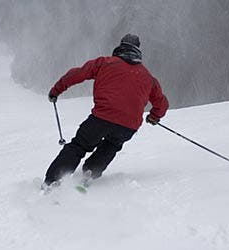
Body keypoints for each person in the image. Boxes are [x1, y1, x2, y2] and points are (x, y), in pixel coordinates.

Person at [43, 34, 169, 188]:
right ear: (138, 50)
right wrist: (154, 116)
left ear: (121, 46)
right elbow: (161, 102)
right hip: (128, 126)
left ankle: (53, 180)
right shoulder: (148, 77)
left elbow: (77, 74)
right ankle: (90, 172)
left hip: (102, 118)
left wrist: (56, 91)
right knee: (111, 145)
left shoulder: (105, 63)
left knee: (79, 146)